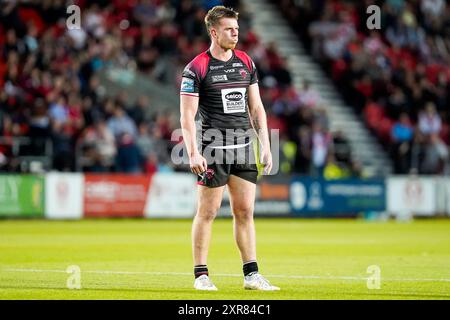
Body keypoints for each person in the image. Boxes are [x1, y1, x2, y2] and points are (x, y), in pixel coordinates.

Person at [179, 6, 279, 291]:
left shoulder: (246, 61)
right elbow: (187, 116)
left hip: (244, 147)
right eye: (229, 29)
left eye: (236, 28)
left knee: (245, 212)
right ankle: (201, 275)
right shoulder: (196, 67)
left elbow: (256, 107)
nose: (236, 32)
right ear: (214, 32)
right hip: (213, 150)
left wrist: (266, 146)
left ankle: (251, 275)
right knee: (207, 212)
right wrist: (193, 152)